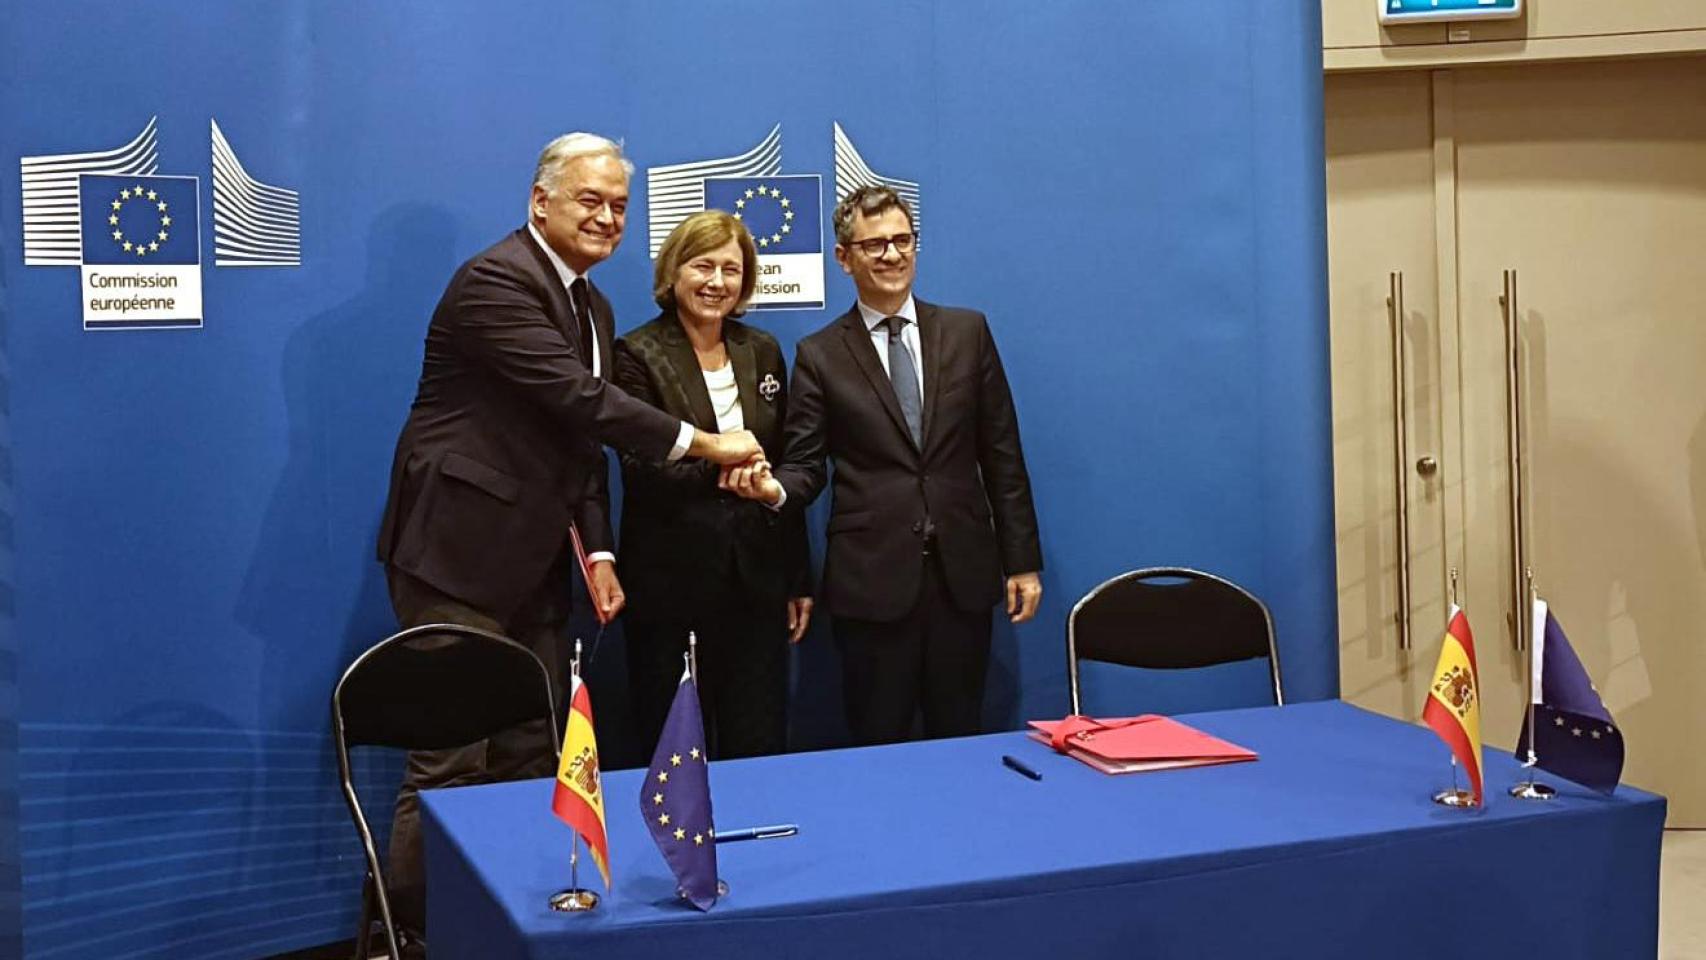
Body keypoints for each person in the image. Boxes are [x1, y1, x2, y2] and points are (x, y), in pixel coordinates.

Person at [374, 132, 762, 943]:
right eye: (590, 200)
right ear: (539, 200)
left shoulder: (592, 304)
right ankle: (410, 934)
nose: (607, 217)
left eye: (619, 205)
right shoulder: (495, 281)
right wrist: (703, 441)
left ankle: (506, 927)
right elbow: (579, 399)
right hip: (454, 559)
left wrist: (600, 551)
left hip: (539, 566)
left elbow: (579, 445)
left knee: (534, 756)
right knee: (451, 763)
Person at [722, 185, 1043, 746]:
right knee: (878, 739)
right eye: (875, 245)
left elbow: (1002, 455)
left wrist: (1022, 562)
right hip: (871, 583)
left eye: (902, 240)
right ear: (844, 258)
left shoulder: (968, 332)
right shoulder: (820, 354)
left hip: (961, 577)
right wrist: (774, 490)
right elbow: (806, 464)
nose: (892, 254)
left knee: (961, 738)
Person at [613, 210, 812, 760]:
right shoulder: (636, 353)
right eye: (703, 266)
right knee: (675, 752)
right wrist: (724, 466)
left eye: (731, 269)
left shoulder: (763, 350)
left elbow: (782, 467)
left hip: (757, 585)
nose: (717, 282)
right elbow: (641, 465)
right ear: (673, 271)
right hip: (670, 588)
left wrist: (797, 576)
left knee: (759, 744)